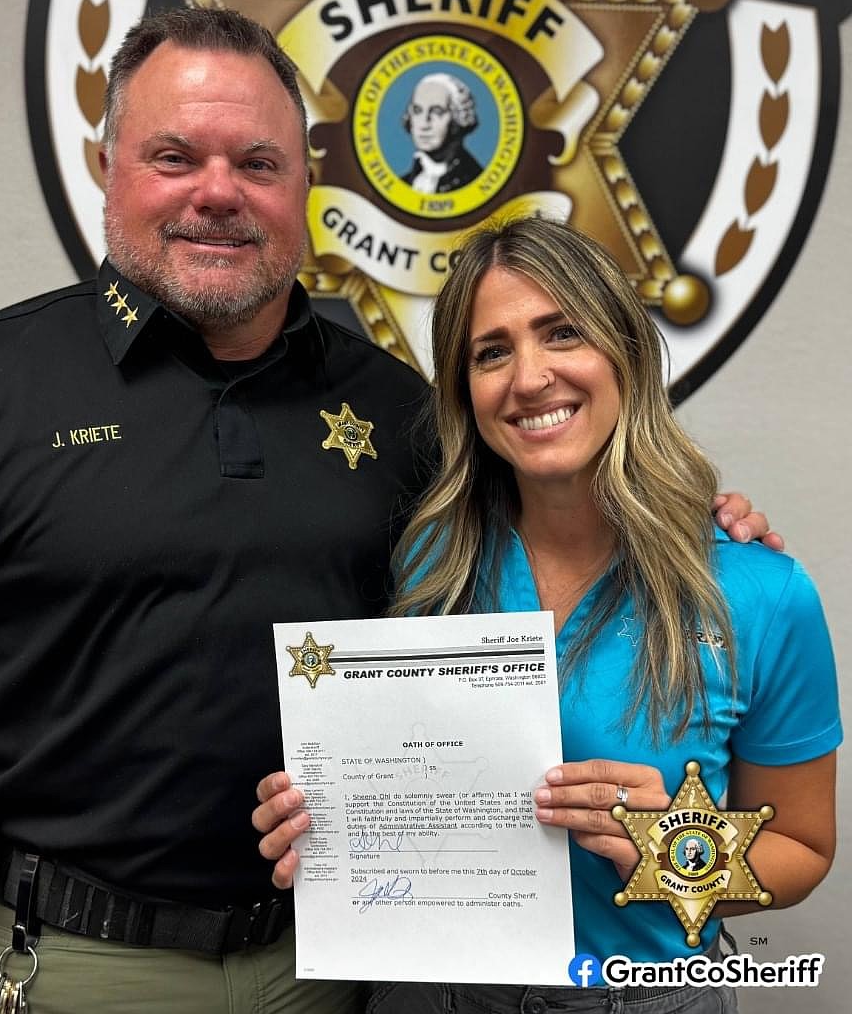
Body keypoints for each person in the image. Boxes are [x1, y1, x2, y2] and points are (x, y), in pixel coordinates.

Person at [0, 7, 773, 1014]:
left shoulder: (404, 415)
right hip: (65, 965)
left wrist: (704, 524)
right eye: (175, 156)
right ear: (110, 163)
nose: (218, 193)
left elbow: (568, 530)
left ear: (305, 188)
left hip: (342, 967)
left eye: (258, 163)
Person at [253, 217, 838, 1014]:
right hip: (435, 993)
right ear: (466, 392)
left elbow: (804, 850)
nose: (529, 378)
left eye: (562, 334)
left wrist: (668, 852)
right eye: (492, 352)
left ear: (623, 350)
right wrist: (323, 822)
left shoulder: (759, 591)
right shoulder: (428, 561)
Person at [401, 73, 483, 193]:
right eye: (417, 110)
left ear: (458, 118)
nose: (424, 124)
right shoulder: (403, 184)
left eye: (437, 112)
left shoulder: (476, 183)